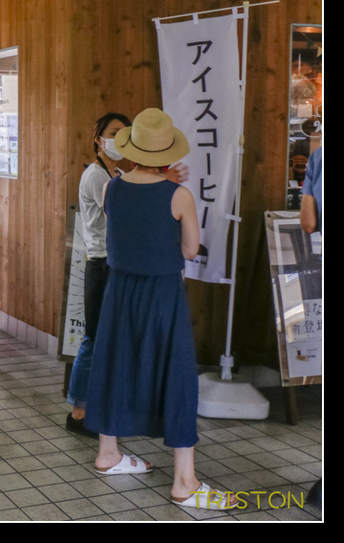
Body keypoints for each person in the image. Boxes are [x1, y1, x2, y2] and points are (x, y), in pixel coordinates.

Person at [84, 108, 236, 510]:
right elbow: (189, 249)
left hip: (120, 291)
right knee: (176, 372)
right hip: (162, 294)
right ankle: (184, 480)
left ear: (131, 151)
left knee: (115, 363)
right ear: (168, 154)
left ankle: (108, 453)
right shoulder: (178, 195)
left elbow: (123, 225)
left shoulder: (111, 188)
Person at [65, 113, 131, 437]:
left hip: (113, 263)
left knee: (107, 340)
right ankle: (79, 412)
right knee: (93, 339)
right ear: (98, 139)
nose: (118, 139)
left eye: (124, 133)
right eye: (113, 133)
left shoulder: (117, 173)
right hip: (101, 265)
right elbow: (120, 212)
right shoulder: (96, 176)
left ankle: (97, 407)